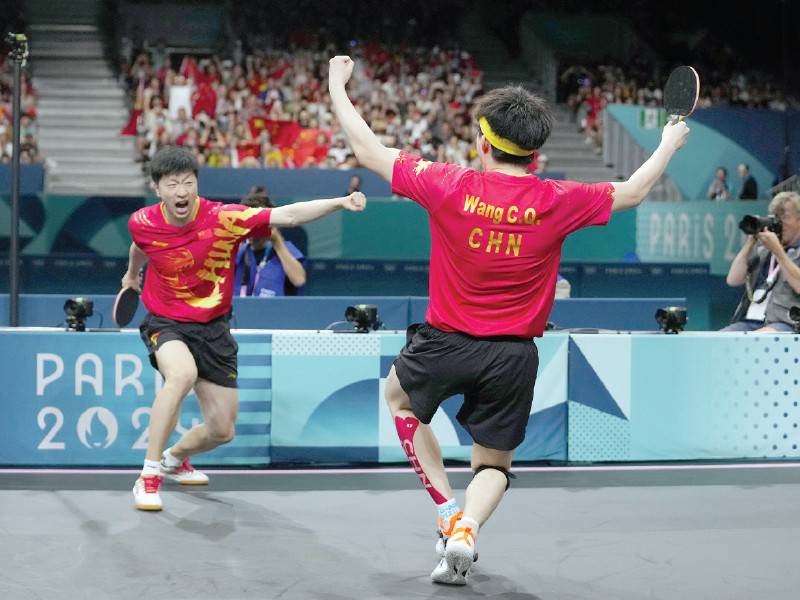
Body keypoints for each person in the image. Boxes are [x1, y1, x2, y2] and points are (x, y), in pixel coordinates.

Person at [328, 55, 690, 585]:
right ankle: (468, 527)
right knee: (493, 465)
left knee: (399, 398)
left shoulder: (448, 183)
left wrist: (338, 84)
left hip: (444, 343)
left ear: (483, 141)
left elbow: (366, 149)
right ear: (536, 153)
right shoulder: (558, 199)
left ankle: (447, 509)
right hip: (513, 356)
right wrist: (668, 143)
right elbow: (633, 191)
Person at [121, 145, 366, 511]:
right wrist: (131, 276)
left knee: (222, 429)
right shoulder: (142, 222)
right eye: (172, 184)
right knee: (181, 375)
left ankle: (173, 460)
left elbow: (290, 214)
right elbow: (140, 247)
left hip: (213, 327)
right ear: (158, 190)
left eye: (188, 182)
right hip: (166, 319)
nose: (182, 191)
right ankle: (149, 475)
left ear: (197, 185)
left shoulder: (224, 218)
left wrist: (340, 201)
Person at [719, 191, 800, 332]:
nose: (780, 223)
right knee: (718, 341)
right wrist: (751, 241)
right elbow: (733, 279)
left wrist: (778, 251)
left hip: (784, 323)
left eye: (785, 217)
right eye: (776, 217)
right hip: (749, 321)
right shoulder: (764, 252)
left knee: (753, 341)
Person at [234, 186, 307, 297]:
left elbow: (299, 280)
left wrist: (277, 241)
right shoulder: (240, 251)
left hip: (275, 312)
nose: (253, 236)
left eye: (258, 227)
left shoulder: (285, 249)